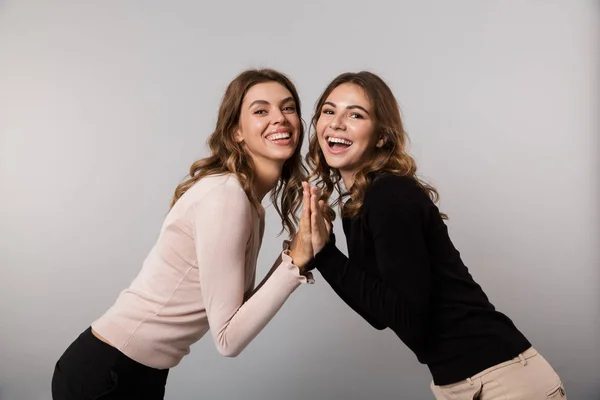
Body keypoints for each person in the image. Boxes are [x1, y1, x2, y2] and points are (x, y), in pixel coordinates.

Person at [296, 71, 567, 399]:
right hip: (462, 384)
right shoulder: (358, 205)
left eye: (355, 114)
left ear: (381, 136)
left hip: (503, 380)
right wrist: (324, 254)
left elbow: (409, 320)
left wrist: (326, 253)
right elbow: (380, 316)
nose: (337, 123)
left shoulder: (389, 195)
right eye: (329, 111)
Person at [51, 68, 317, 400]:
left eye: (288, 107)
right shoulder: (226, 197)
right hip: (106, 372)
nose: (279, 118)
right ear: (236, 132)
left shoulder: (250, 204)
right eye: (261, 110)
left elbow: (238, 311)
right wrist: (296, 260)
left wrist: (294, 255)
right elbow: (228, 339)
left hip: (137, 372)